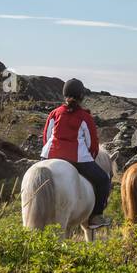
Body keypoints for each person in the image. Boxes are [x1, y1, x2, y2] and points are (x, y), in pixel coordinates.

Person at [41, 78, 111, 227]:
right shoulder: (85, 117)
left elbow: (46, 137)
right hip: (77, 158)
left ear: (64, 94)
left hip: (49, 156)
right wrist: (90, 158)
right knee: (103, 180)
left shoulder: (54, 113)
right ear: (82, 96)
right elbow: (92, 144)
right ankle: (96, 217)